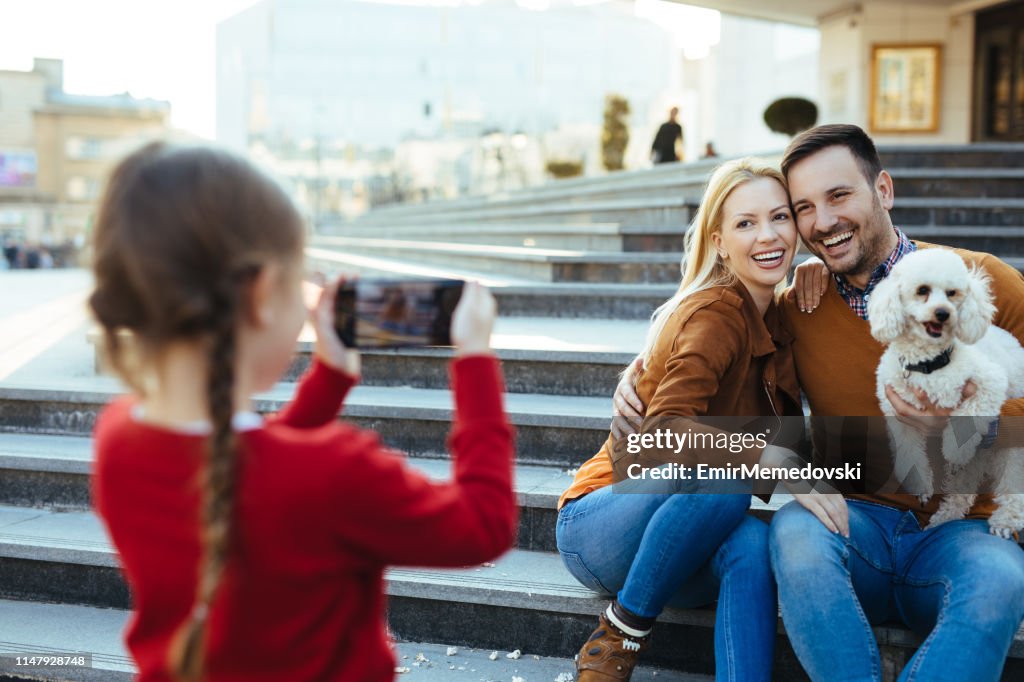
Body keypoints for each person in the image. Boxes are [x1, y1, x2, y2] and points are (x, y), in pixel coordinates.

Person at [89, 143, 517, 682]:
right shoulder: (336, 471)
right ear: (264, 293)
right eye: (299, 282)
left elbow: (244, 470)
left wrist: (330, 379)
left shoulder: (118, 438)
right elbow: (484, 524)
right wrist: (476, 363)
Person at [613, 124, 1024, 681]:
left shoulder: (976, 282)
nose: (822, 222)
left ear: (883, 190)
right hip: (855, 521)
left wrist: (970, 424)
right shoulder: (797, 305)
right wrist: (641, 370)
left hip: (965, 530)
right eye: (803, 207)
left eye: (839, 196)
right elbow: (715, 335)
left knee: (1002, 579)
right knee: (792, 532)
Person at [558, 157, 805, 681]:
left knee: (753, 544)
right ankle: (620, 635)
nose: (768, 234)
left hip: (682, 536)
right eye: (745, 222)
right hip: (600, 525)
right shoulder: (716, 312)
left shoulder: (783, 318)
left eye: (780, 217)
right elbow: (665, 431)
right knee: (729, 478)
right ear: (718, 241)